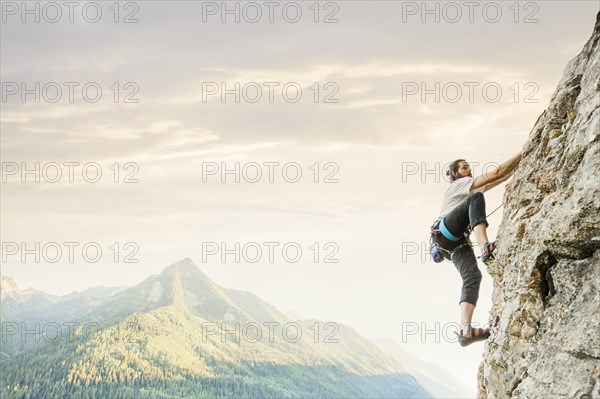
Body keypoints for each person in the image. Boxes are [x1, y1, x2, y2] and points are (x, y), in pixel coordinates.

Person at [432, 152, 522, 347]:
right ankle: (485, 246)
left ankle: (466, 331)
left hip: (451, 243)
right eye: (464, 167)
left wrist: (523, 162)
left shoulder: (468, 187)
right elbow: (497, 172)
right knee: (477, 198)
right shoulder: (459, 185)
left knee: (472, 277)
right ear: (455, 174)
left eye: (468, 167)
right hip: (445, 232)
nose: (469, 169)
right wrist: (526, 151)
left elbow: (501, 176)